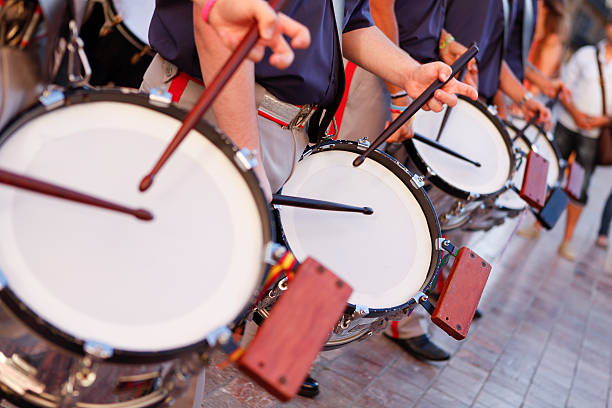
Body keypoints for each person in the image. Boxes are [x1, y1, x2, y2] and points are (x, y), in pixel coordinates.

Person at [144, 0, 477, 398]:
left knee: (196, 319)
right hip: (218, 106)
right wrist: (249, 162)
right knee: (165, 305)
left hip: (279, 128)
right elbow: (218, 24)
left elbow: (350, 20)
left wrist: (409, 71)